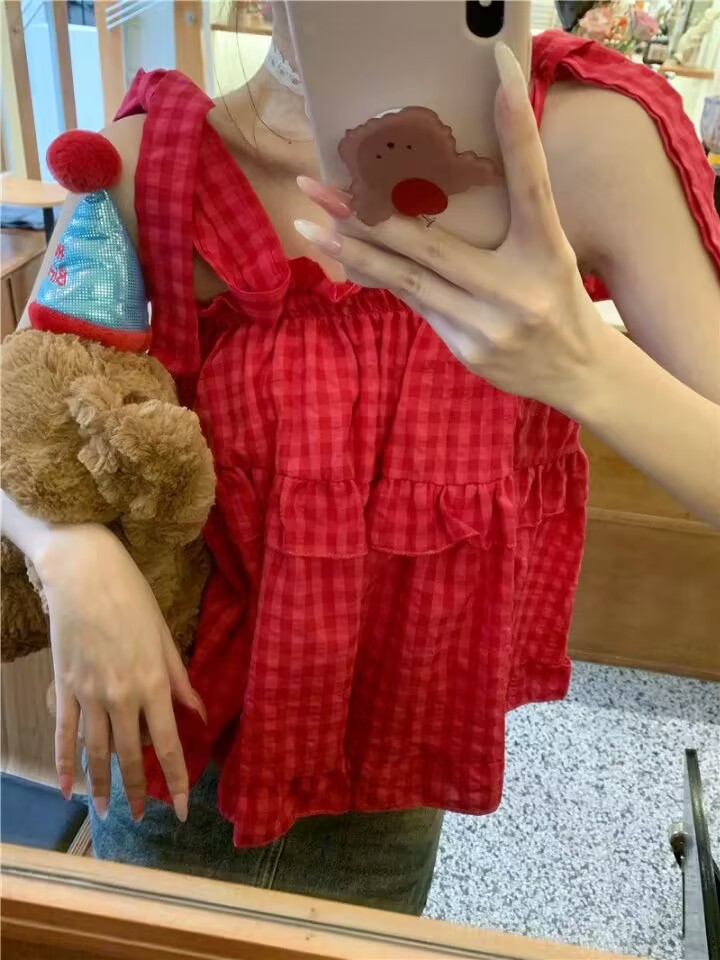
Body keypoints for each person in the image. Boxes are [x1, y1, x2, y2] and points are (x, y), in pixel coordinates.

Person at [3, 1, 719, 915]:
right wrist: (72, 555)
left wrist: (583, 364)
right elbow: (22, 409)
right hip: (176, 752)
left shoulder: (584, 142)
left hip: (398, 768)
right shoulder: (153, 165)